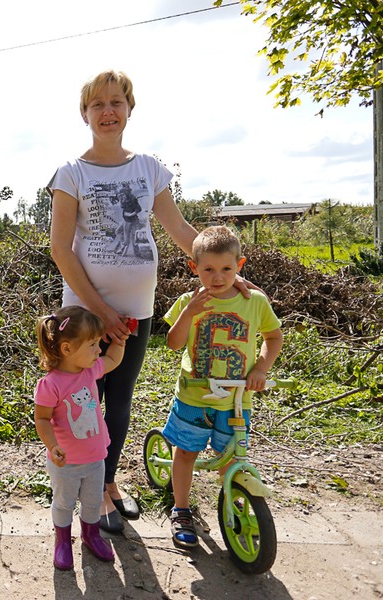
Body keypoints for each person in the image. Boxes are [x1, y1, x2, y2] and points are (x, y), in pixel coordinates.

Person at [48, 69, 254, 533]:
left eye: (116, 102)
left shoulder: (148, 170)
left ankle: (104, 485)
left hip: (136, 313)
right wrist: (103, 313)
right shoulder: (70, 174)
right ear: (84, 113)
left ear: (129, 110)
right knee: (82, 402)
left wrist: (225, 270)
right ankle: (75, 489)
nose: (107, 111)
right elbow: (61, 249)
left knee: (118, 402)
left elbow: (182, 233)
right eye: (97, 103)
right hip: (84, 316)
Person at [162, 225, 283, 548]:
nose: (217, 277)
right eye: (209, 270)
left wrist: (261, 367)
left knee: (230, 457)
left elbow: (273, 336)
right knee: (186, 452)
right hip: (195, 395)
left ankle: (236, 503)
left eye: (227, 269)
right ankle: (182, 508)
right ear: (194, 268)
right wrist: (189, 312)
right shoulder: (189, 300)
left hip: (236, 400)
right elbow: (173, 344)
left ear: (240, 266)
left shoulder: (254, 301)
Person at [34, 305, 125, 570]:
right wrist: (53, 446)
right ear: (67, 349)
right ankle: (62, 540)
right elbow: (42, 419)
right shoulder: (51, 384)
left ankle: (91, 535)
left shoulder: (89, 370)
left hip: (96, 458)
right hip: (66, 462)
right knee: (64, 503)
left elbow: (113, 361)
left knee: (93, 501)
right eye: (94, 344)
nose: (99, 350)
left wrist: (119, 340)